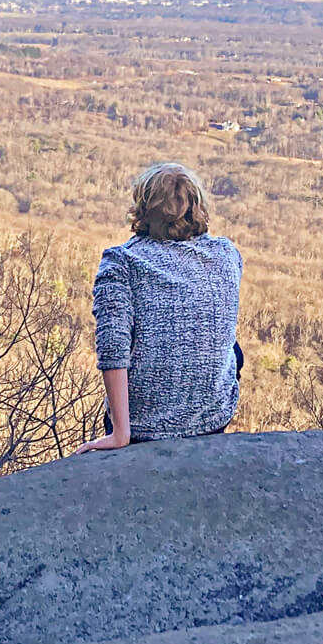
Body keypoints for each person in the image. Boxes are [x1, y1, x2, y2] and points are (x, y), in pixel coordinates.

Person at [73, 162, 243, 454]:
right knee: (233, 349)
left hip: (143, 427)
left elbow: (114, 349)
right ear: (197, 206)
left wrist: (120, 434)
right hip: (212, 417)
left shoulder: (121, 262)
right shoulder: (227, 254)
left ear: (143, 208)